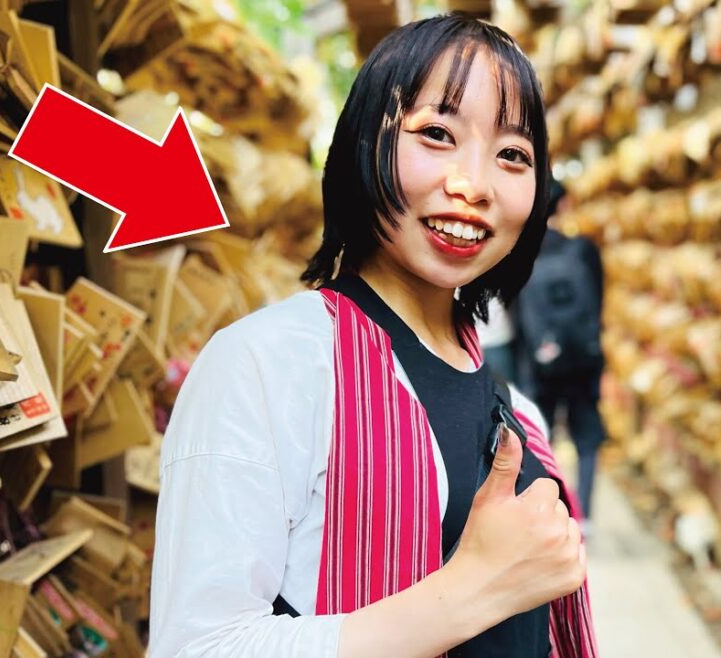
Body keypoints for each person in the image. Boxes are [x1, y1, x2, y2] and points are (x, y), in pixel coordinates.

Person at [149, 15, 597, 658]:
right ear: (364, 142)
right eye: (436, 134)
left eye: (512, 155)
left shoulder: (516, 414)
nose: (474, 186)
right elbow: (197, 646)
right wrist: (469, 592)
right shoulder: (266, 366)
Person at [516, 181, 606, 526]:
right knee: (586, 438)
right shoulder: (582, 250)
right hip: (583, 357)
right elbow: (598, 300)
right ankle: (585, 515)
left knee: (542, 433)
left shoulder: (524, 253)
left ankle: (550, 508)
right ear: (563, 206)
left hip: (541, 360)